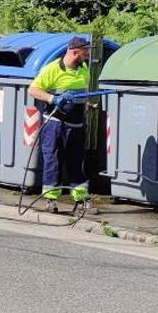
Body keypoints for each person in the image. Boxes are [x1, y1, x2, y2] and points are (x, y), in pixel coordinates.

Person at [28, 36, 95, 215]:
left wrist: (85, 103)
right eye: (85, 51)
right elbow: (33, 89)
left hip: (77, 123)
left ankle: (80, 200)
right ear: (75, 51)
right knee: (53, 160)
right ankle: (51, 200)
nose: (88, 55)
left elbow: (83, 92)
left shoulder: (84, 69)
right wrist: (53, 98)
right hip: (55, 123)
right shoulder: (52, 69)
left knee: (77, 161)